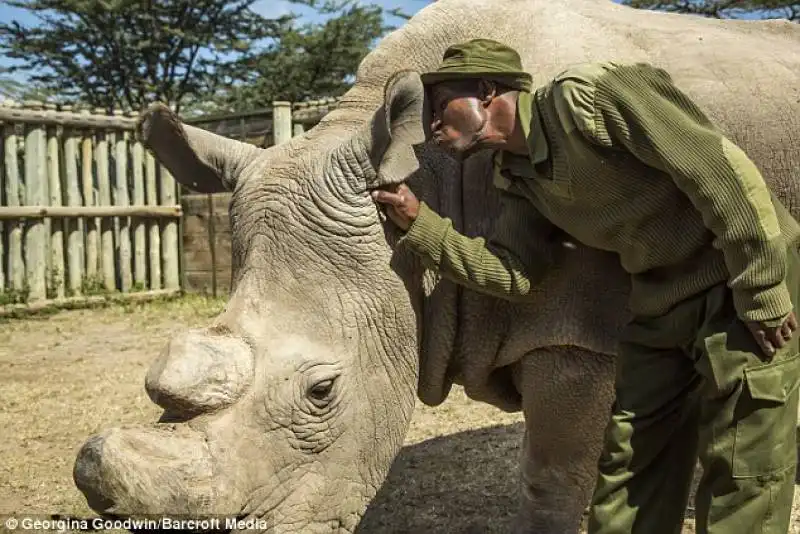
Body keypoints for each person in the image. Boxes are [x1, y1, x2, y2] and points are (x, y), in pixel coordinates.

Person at [371, 38, 800, 534]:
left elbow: (719, 172)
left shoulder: (588, 99)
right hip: (660, 303)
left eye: (440, 107)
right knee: (628, 462)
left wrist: (763, 289)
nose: (431, 128)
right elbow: (512, 272)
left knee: (743, 467)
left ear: (488, 91)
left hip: (737, 282)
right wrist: (420, 223)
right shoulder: (516, 176)